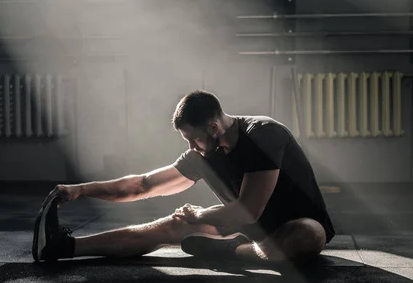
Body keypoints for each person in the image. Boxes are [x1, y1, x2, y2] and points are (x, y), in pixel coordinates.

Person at [32, 90, 335, 265]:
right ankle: (65, 247)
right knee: (168, 227)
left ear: (214, 128)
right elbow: (142, 185)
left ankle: (231, 250)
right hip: (247, 228)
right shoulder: (204, 155)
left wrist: (200, 214)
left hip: (294, 229)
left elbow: (247, 209)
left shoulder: (263, 135)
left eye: (193, 139)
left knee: (308, 235)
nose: (191, 148)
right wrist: (82, 189)